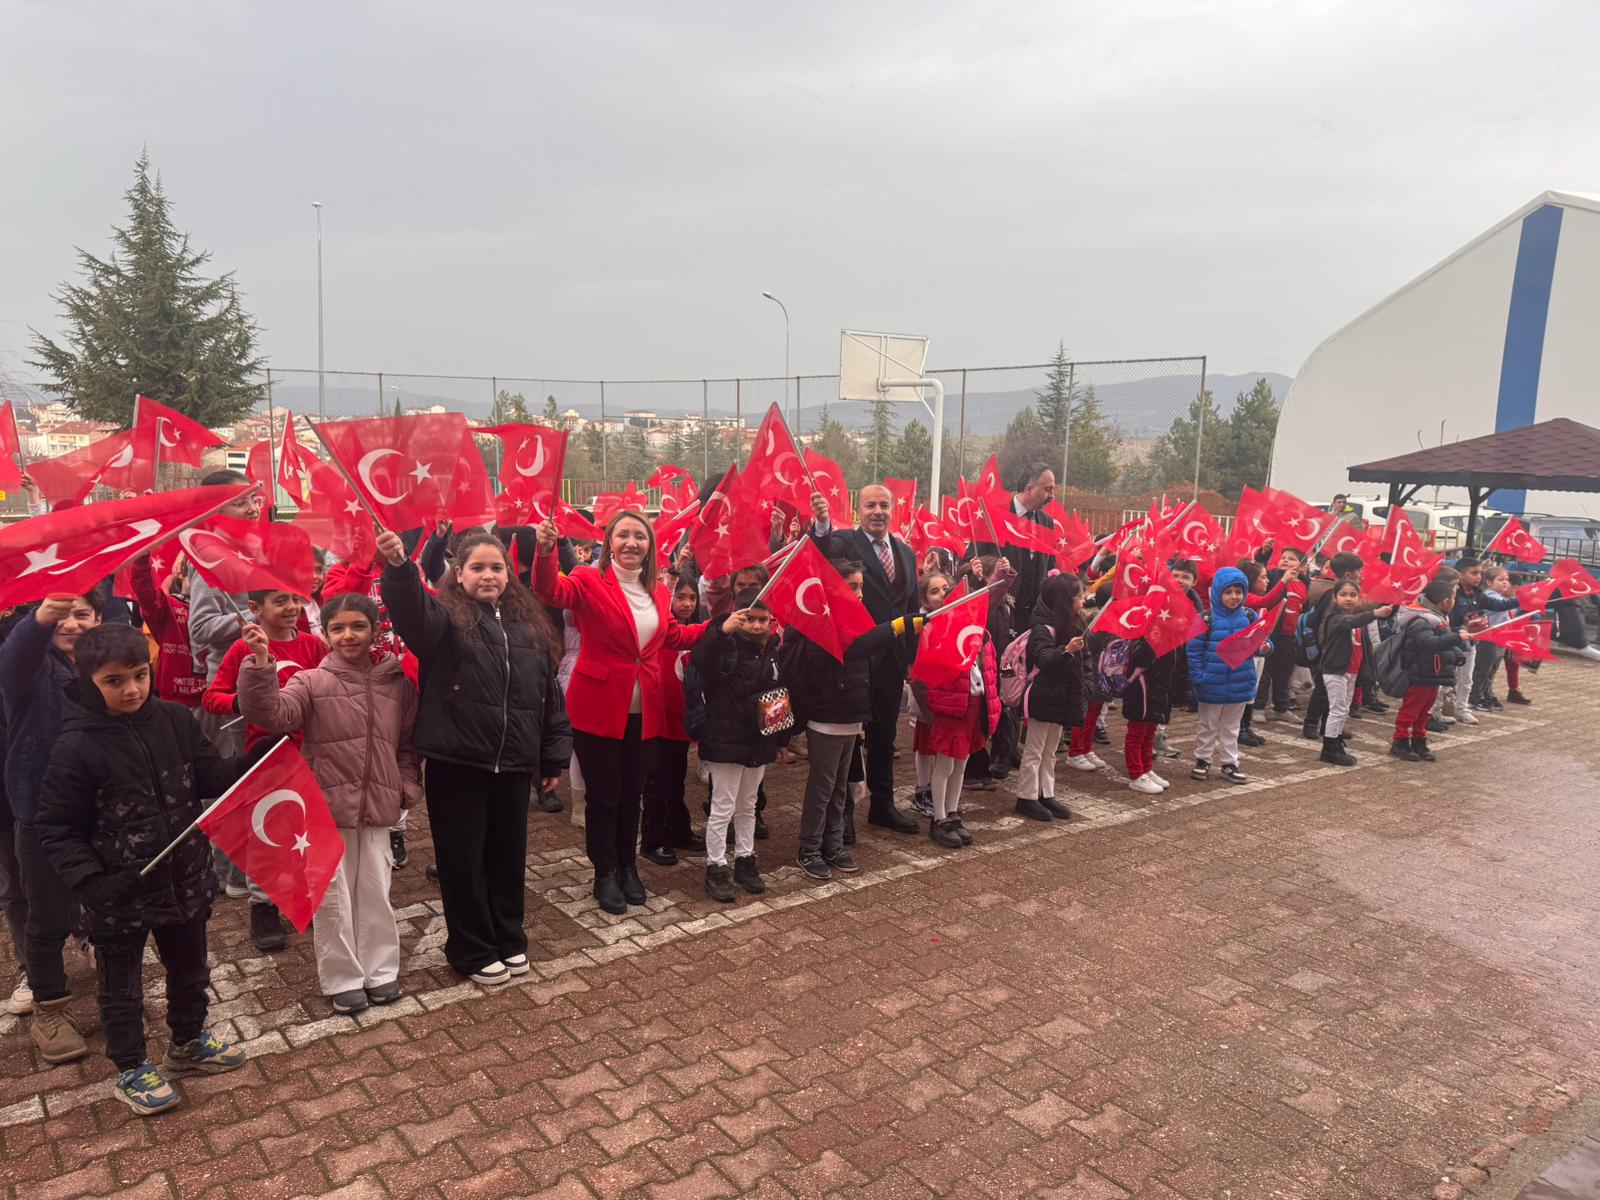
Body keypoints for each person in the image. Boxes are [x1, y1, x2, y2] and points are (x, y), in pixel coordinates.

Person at [34, 624, 248, 1116]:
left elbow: (207, 775)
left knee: (191, 968)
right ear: (88, 681)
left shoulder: (173, 719)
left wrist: (246, 763)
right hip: (118, 892)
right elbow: (57, 826)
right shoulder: (75, 746)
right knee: (121, 984)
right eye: (114, 681)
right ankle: (131, 1066)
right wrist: (94, 881)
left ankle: (189, 1041)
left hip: (184, 877)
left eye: (139, 675)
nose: (131, 689)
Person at [381, 529, 570, 986]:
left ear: (509, 573)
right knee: (462, 860)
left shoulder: (530, 624)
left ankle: (509, 938)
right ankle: (471, 948)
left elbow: (548, 696)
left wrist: (551, 757)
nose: (488, 575)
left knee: (507, 856)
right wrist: (400, 568)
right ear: (458, 574)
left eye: (497, 567)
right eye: (478, 567)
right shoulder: (444, 620)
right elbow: (411, 614)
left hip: (514, 763)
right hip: (459, 760)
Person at [236, 593, 420, 1015]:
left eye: (358, 626)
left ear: (375, 629)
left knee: (375, 891)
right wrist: (261, 664)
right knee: (333, 896)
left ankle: (381, 969)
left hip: (378, 806)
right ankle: (342, 977)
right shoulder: (310, 681)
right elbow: (272, 714)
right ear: (325, 632)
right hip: (325, 807)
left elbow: (407, 744)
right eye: (337, 628)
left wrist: (406, 785)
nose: (348, 635)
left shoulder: (398, 685)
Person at [534, 510, 707, 915]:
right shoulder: (588, 580)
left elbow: (673, 635)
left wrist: (719, 627)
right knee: (605, 796)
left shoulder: (659, 592)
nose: (632, 543)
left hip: (644, 710)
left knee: (633, 793)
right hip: (597, 707)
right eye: (623, 535)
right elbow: (549, 592)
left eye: (640, 537)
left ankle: (629, 865)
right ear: (610, 541)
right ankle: (604, 872)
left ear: (650, 546)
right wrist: (545, 550)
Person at [0, 589, 105, 1064]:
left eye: (80, 614)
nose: (71, 624)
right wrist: (41, 618)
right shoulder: (32, 670)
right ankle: (51, 1008)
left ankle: (114, 978)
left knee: (104, 897)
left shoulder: (105, 663)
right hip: (41, 813)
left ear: (98, 618)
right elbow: (14, 662)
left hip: (101, 810)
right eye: (61, 616)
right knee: (45, 917)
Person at [201, 587, 326, 951]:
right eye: (280, 601)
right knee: (268, 831)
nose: (291, 608)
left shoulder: (313, 646)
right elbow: (211, 698)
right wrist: (247, 702)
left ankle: (306, 895)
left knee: (308, 828)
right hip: (266, 756)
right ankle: (263, 904)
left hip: (312, 752)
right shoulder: (243, 648)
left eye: (295, 600)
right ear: (254, 608)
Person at [783, 562, 926, 880]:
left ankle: (832, 843)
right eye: (851, 586)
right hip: (826, 719)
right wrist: (896, 627)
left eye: (861, 586)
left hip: (851, 718)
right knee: (822, 788)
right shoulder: (823, 622)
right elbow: (854, 649)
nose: (859, 593)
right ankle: (809, 847)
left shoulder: (855, 619)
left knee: (840, 788)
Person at [807, 486, 920, 834]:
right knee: (851, 736)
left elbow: (911, 607)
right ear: (859, 510)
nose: (878, 511)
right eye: (870, 505)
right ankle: (846, 814)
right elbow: (823, 559)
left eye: (884, 505)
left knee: (885, 733)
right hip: (854, 658)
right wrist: (823, 524)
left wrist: (912, 659)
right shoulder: (843, 541)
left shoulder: (905, 552)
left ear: (892, 510)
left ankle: (882, 804)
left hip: (890, 660)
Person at [692, 592, 783, 901]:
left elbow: (778, 694)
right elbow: (700, 659)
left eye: (762, 620)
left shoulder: (772, 651)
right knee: (722, 807)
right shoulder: (724, 647)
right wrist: (723, 629)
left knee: (749, 805)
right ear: (737, 617)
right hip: (726, 738)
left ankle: (745, 859)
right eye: (749, 618)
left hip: (758, 740)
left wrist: (780, 737)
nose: (756, 626)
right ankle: (715, 866)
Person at [187, 470, 267, 755]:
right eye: (240, 502)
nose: (252, 509)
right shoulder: (210, 558)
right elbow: (200, 628)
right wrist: (260, 615)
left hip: (268, 672)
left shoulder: (259, 550)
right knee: (241, 771)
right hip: (232, 683)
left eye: (254, 500)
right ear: (214, 511)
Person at [639, 580, 704, 868]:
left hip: (681, 721)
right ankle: (653, 839)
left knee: (676, 780)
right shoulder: (660, 633)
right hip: (659, 720)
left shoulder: (694, 635)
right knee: (656, 782)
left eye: (693, 598)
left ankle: (677, 830)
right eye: (681, 597)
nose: (687, 603)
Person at [1014, 573, 1085, 822]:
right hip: (1042, 696)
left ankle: (1046, 793)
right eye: (1079, 596)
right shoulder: (1042, 628)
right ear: (1064, 600)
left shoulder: (1071, 625)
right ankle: (1026, 796)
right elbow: (1043, 658)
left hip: (1059, 696)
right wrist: (1066, 651)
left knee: (1051, 750)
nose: (1083, 601)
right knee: (1034, 749)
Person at [1185, 567, 1260, 784]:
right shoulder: (1206, 618)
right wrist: (1199, 676)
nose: (1234, 596)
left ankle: (1230, 763)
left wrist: (1265, 648)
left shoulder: (1249, 615)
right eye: (1228, 592)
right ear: (1217, 593)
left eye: (1239, 591)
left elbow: (1259, 643)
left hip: (1240, 681)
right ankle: (1203, 759)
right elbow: (1194, 650)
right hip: (1211, 682)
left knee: (1231, 727)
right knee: (1207, 725)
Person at [1314, 581, 1392, 766]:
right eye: (1343, 594)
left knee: (1344, 709)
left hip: (1352, 671)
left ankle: (1337, 740)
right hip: (1336, 671)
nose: (1348, 598)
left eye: (1353, 595)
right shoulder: (1335, 618)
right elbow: (1349, 621)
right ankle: (1329, 747)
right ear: (1335, 598)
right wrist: (1374, 613)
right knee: (1337, 709)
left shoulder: (1357, 621)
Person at [1390, 578, 1467, 762]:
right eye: (1453, 597)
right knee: (1411, 708)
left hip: (1433, 672)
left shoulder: (1439, 618)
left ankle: (1419, 738)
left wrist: (1457, 653)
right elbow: (1428, 643)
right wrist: (1457, 639)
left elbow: (1444, 639)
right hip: (1420, 673)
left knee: (1426, 709)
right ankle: (1400, 740)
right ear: (1446, 602)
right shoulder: (1421, 620)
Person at [1122, 635, 1177, 794]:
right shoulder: (1143, 639)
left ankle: (1146, 769)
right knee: (1137, 733)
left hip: (1157, 691)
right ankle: (1136, 774)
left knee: (1149, 733)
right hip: (1141, 691)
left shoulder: (1168, 638)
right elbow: (1140, 660)